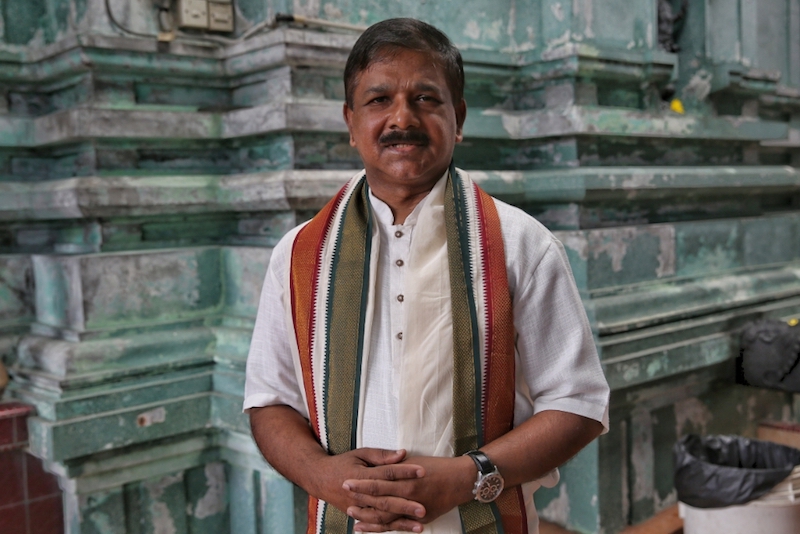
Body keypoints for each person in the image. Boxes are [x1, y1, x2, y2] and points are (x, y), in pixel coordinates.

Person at [244, 18, 609, 534]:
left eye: (425, 99)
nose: (401, 118)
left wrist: (466, 478)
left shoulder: (521, 244)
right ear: (350, 123)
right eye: (378, 100)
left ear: (457, 118)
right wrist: (322, 476)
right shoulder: (300, 254)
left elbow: (579, 403)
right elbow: (270, 400)